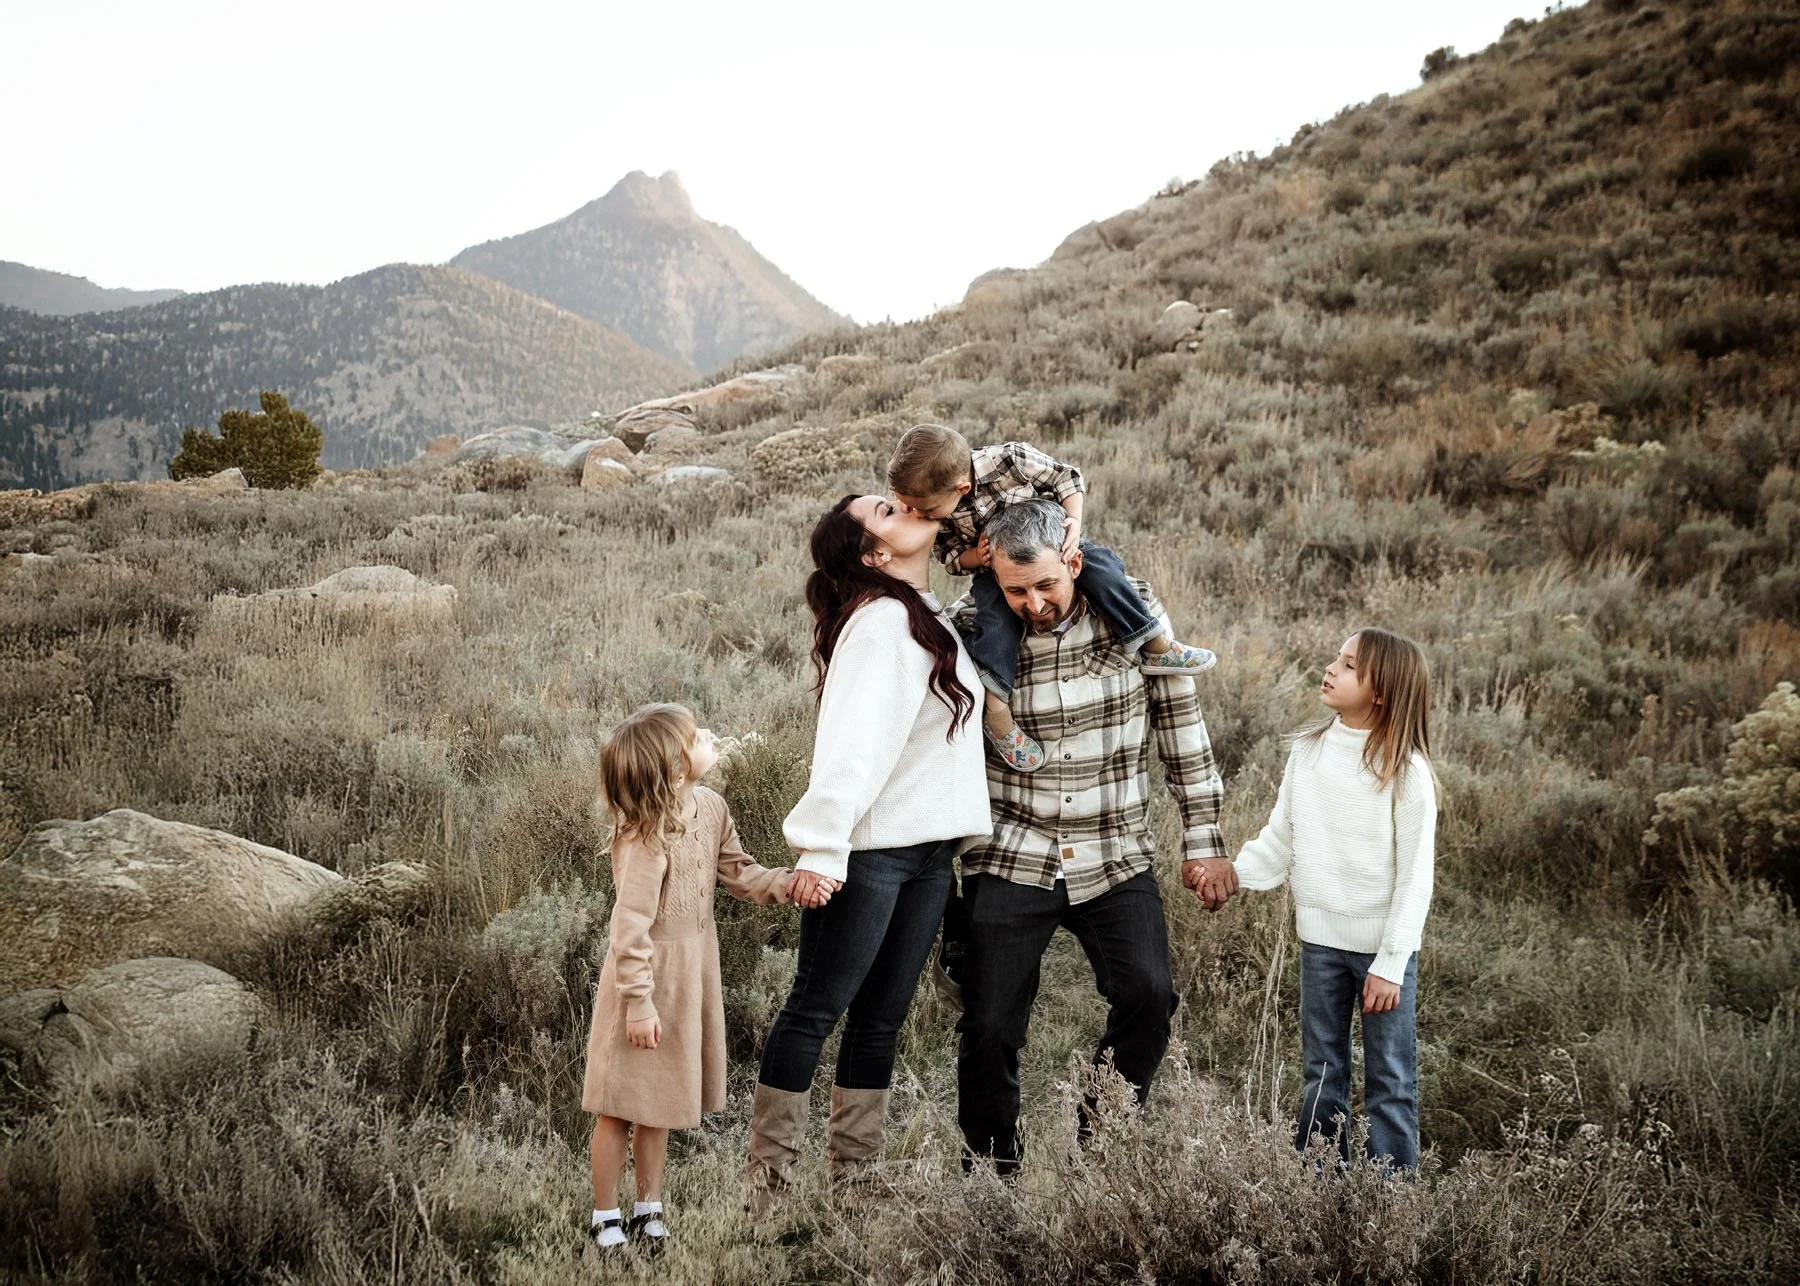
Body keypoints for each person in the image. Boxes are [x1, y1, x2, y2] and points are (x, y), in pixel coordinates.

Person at [951, 499, 1229, 1177]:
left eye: (1047, 584)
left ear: (1074, 562)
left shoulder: (1133, 620)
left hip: (1113, 851)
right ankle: (992, 1179)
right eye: (1017, 591)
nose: (1034, 603)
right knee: (988, 1027)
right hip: (1014, 852)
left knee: (1148, 997)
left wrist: (1204, 837)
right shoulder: (975, 629)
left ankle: (1100, 1148)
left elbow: (1180, 727)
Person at [746, 494, 993, 1211]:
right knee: (814, 1010)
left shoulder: (920, 613)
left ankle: (854, 1183)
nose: (910, 506)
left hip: (924, 853)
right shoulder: (883, 623)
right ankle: (768, 1194)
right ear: (873, 554)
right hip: (870, 854)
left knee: (880, 1018)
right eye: (888, 509)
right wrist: (821, 849)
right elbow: (849, 745)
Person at [582, 703, 829, 1257]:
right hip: (645, 980)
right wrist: (639, 1004)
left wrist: (789, 884)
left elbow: (738, 872)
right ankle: (605, 1217)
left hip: (692, 973)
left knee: (661, 1103)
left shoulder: (711, 807)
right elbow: (630, 926)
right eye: (697, 736)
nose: (709, 736)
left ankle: (649, 1208)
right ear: (674, 767)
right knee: (621, 1105)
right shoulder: (646, 835)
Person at [1217, 628, 1439, 1171]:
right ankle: (1317, 1193)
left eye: (1348, 665)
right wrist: (1234, 876)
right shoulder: (1309, 751)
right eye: (1335, 658)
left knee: (1390, 1080)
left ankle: (1392, 1211)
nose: (1331, 669)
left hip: (1383, 956)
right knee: (1321, 1071)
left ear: (1381, 691)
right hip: (1320, 945)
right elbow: (1282, 836)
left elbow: (1415, 879)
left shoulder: (1406, 773)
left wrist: (1390, 963)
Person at [887, 423, 1217, 773]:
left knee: (1105, 571)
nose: (919, 518)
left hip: (1051, 547)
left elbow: (1067, 478)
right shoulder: (935, 506)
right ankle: (998, 713)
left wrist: (1073, 521)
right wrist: (976, 557)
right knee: (995, 626)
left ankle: (1155, 646)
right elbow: (951, 558)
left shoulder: (1009, 460)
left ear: (962, 487)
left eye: (925, 511)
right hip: (995, 572)